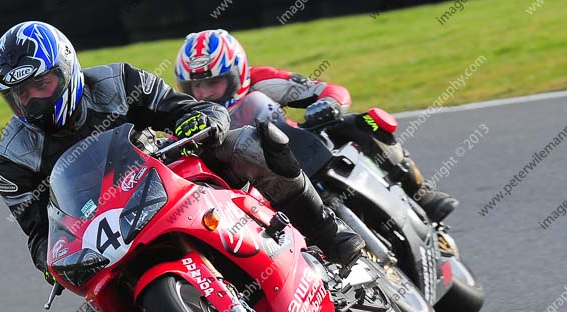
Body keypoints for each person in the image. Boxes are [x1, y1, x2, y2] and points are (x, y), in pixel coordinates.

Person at [0, 21, 364, 312]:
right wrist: (51, 261)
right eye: (21, 94)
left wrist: (202, 122)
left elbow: (189, 109)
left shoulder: (118, 82)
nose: (33, 100)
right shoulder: (13, 159)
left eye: (42, 85)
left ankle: (328, 232)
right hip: (105, 234)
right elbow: (39, 231)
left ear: (67, 69)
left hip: (166, 176)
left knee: (245, 143)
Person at [175, 29, 458, 222]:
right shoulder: (189, 117)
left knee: (365, 121)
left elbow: (328, 89)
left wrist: (329, 105)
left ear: (238, 73)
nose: (205, 94)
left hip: (299, 147)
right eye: (196, 86)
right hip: (257, 183)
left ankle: (420, 192)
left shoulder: (261, 80)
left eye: (215, 82)